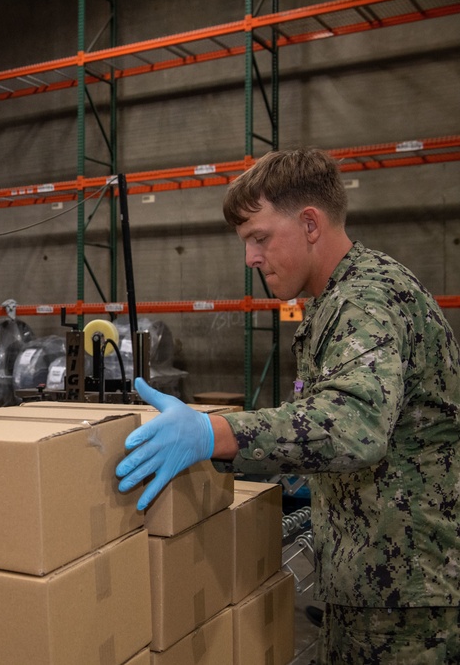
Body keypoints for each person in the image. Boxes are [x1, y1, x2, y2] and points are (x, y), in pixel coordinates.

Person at [115, 148, 460, 664]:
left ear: (310, 224)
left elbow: (354, 426)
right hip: (375, 578)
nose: (251, 258)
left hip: (407, 597)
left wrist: (216, 433)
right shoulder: (337, 299)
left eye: (259, 238)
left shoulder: (364, 300)